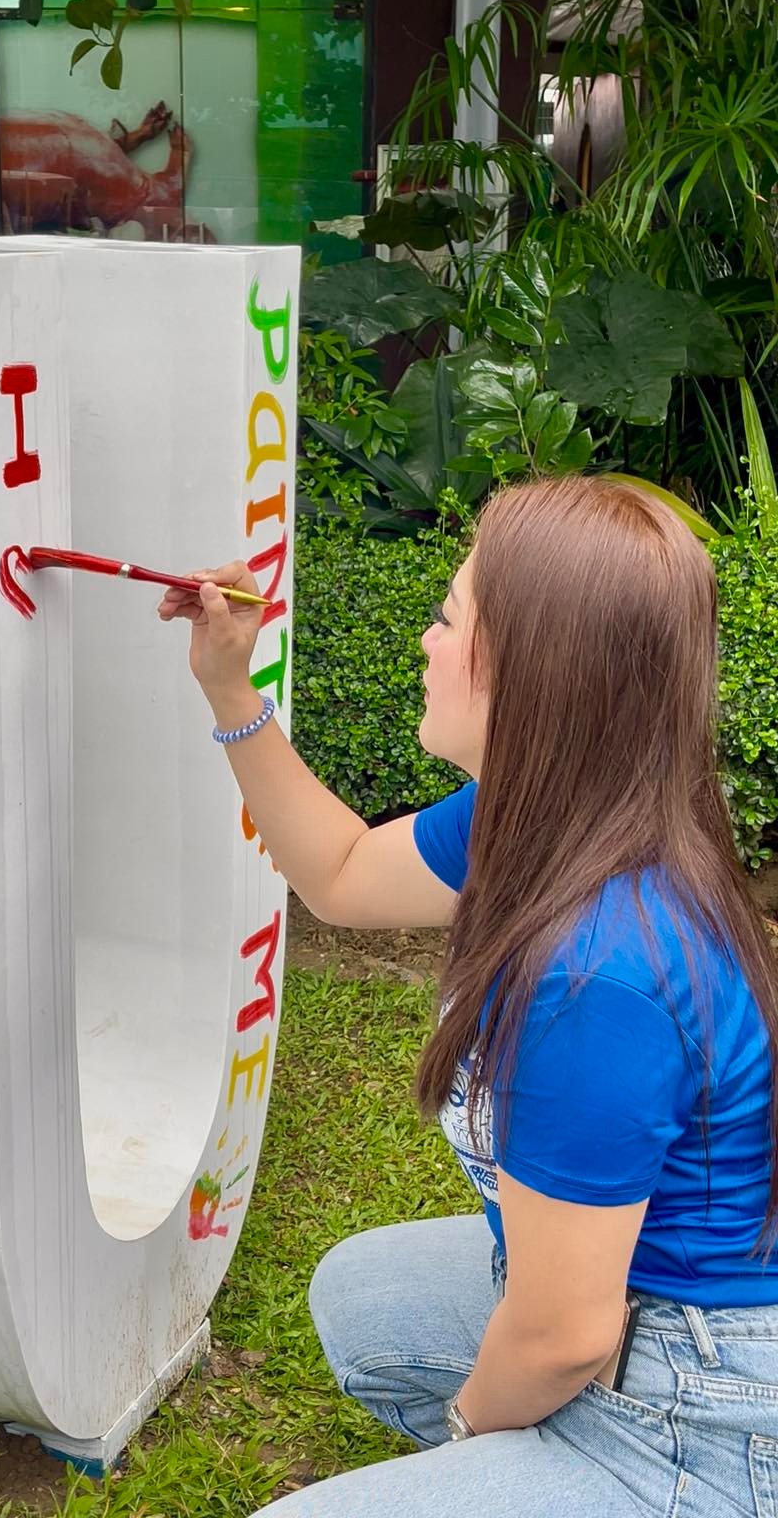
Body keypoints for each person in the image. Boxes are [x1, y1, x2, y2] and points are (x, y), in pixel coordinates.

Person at [159, 477, 778, 1517]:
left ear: (531, 674)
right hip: (627, 1306)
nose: (426, 640)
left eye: (448, 618)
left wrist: (462, 1437)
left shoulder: (598, 974)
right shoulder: (551, 815)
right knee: (365, 1301)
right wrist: (231, 687)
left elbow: (562, 1335)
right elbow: (344, 874)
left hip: (707, 1408)